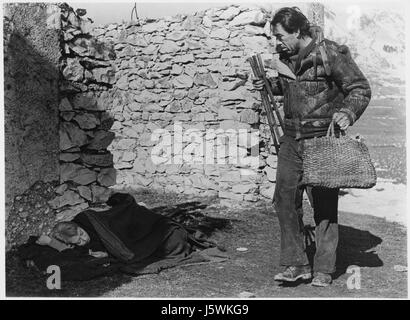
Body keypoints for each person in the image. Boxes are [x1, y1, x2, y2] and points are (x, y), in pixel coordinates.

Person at [253, 7, 371, 286]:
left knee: (324, 204)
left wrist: (348, 113)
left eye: (280, 36)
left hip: (322, 141)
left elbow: (359, 88)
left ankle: (324, 268)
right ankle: (295, 264)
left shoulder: (331, 53)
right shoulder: (286, 57)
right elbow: (292, 89)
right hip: (291, 139)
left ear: (297, 31)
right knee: (284, 200)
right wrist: (269, 84)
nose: (276, 42)